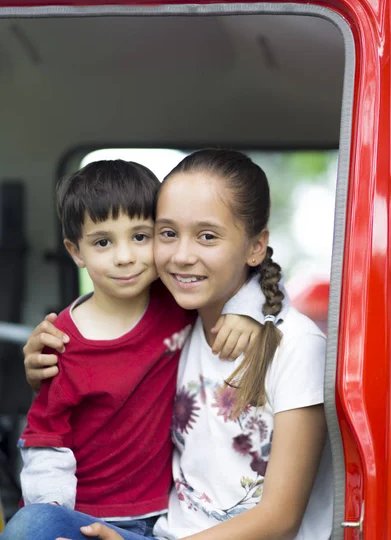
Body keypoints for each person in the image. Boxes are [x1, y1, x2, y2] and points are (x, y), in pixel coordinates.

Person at [3, 149, 332, 540]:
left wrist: (252, 307)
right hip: (158, 531)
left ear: (255, 246)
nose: (181, 256)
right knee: (32, 525)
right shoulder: (180, 319)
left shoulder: (295, 345)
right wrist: (39, 355)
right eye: (167, 233)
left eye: (207, 236)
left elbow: (279, 518)